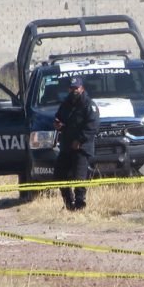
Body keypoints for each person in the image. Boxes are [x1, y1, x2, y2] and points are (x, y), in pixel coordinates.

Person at [53, 76, 99, 211]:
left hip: (82, 148)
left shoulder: (89, 105)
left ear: (82, 88)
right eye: (72, 88)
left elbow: (93, 126)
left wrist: (80, 140)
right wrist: (58, 125)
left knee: (80, 178)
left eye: (77, 88)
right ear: (69, 89)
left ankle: (80, 206)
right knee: (59, 174)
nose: (74, 91)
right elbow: (59, 118)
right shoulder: (66, 104)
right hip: (67, 146)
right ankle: (68, 203)